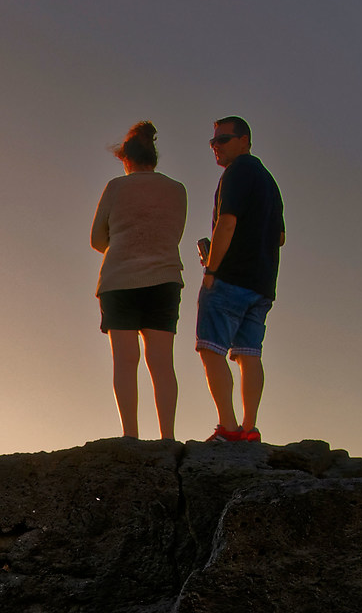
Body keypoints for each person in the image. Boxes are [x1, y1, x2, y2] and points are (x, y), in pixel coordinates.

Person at [88, 121, 187, 439]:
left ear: (125, 159)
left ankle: (130, 435)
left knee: (126, 360)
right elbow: (174, 233)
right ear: (153, 158)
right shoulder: (177, 189)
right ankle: (167, 438)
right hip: (164, 277)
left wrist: (120, 244)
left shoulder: (116, 187)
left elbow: (96, 239)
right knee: (161, 362)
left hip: (120, 280)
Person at [196, 115, 284, 442]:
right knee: (249, 354)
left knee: (211, 349)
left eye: (223, 140)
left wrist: (211, 270)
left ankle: (228, 428)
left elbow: (227, 223)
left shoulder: (237, 173)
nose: (215, 147)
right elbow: (280, 237)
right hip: (262, 282)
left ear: (244, 140)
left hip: (230, 278)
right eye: (213, 141)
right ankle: (250, 428)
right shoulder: (268, 181)